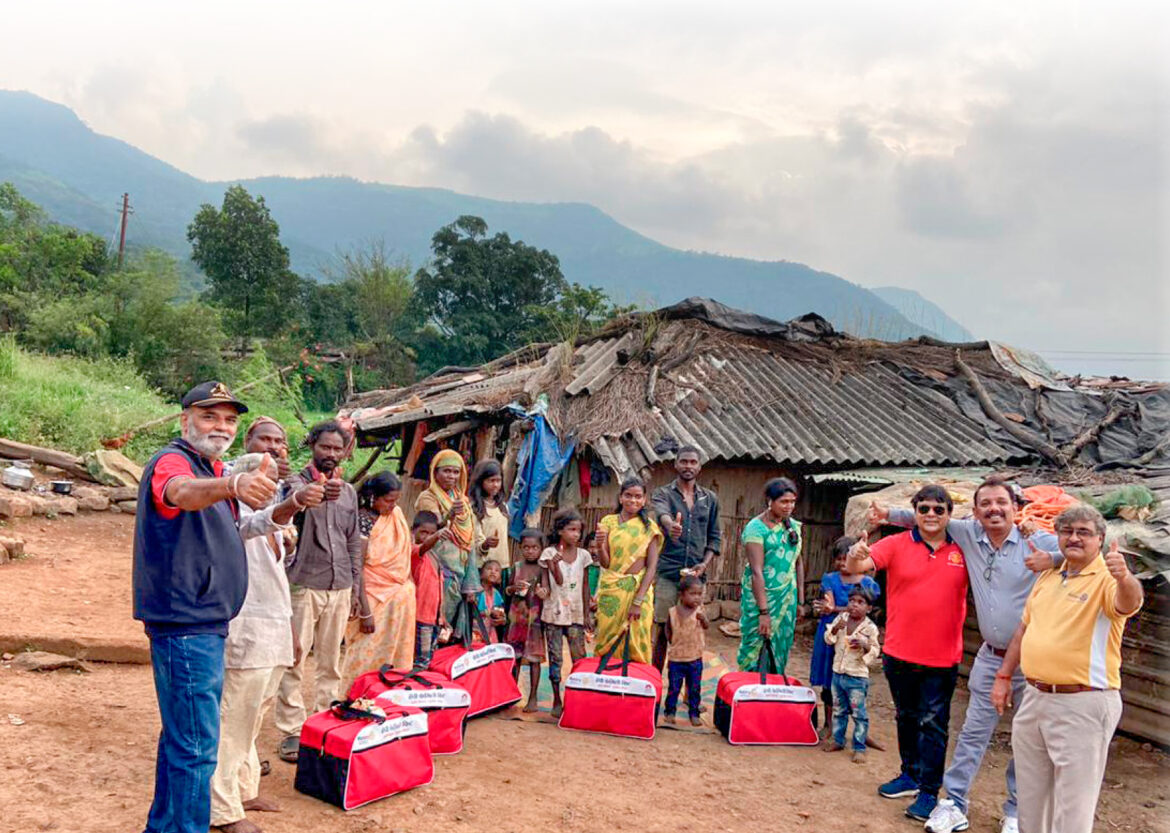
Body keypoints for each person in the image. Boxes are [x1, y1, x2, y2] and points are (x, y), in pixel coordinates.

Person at [872, 477, 1062, 833]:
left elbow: (1088, 550)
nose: (994, 509)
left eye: (1001, 502)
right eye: (985, 504)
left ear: (1016, 507)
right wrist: (887, 513)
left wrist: (1051, 558)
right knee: (973, 734)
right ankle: (955, 803)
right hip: (991, 657)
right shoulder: (969, 535)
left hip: (1034, 659)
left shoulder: (1038, 540)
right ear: (974, 512)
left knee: (1028, 738)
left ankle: (1017, 811)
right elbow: (928, 517)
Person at [133, 381, 278, 833]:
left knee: (183, 738)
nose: (221, 426)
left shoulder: (209, 467)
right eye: (209, 416)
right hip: (186, 624)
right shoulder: (174, 461)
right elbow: (179, 492)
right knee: (196, 746)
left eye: (229, 419)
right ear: (185, 420)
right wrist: (232, 483)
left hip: (203, 621)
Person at [991, 504, 1143, 833]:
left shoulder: (1107, 580)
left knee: (1073, 808)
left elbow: (1128, 603)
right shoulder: (1049, 575)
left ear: (1100, 539)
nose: (1074, 538)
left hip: (1082, 703)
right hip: (1034, 698)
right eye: (1067, 531)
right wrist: (1003, 676)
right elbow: (1024, 629)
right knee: (1031, 802)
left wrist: (1125, 577)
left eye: (1084, 532)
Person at [210, 418, 325, 833]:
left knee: (254, 714)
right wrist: (292, 504)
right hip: (245, 622)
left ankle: (243, 790)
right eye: (266, 440)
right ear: (247, 443)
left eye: (280, 442)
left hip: (272, 621)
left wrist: (289, 630)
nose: (275, 447)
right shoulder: (231, 494)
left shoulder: (271, 499)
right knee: (233, 716)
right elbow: (251, 527)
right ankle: (221, 810)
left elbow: (277, 576)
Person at [847, 484, 969, 823]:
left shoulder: (964, 549)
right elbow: (860, 566)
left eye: (938, 509)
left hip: (942, 657)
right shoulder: (897, 544)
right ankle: (909, 775)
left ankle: (929, 790)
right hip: (899, 652)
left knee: (934, 724)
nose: (931, 515)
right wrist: (856, 552)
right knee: (906, 716)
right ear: (914, 513)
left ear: (949, 514)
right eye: (924, 508)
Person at [275, 420, 362, 763]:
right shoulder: (293, 484)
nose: (331, 453)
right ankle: (292, 730)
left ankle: (324, 723)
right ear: (312, 445)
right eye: (325, 446)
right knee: (294, 660)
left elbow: (353, 541)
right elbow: (289, 511)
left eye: (337, 448)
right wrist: (314, 495)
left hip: (339, 585)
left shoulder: (349, 492)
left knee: (330, 662)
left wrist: (355, 586)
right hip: (303, 583)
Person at [341, 472, 418, 686]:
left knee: (394, 659)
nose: (393, 506)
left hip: (399, 603)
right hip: (372, 599)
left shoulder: (396, 515)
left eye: (396, 501)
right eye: (388, 500)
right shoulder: (363, 520)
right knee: (364, 653)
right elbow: (357, 567)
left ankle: (387, 695)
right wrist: (365, 612)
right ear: (373, 496)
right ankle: (354, 694)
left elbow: (404, 561)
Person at [650, 446, 721, 670]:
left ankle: (688, 686)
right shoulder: (663, 493)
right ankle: (656, 682)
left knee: (692, 630)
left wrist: (704, 564)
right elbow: (662, 514)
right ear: (676, 464)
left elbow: (714, 537)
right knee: (662, 628)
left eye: (693, 462)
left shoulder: (710, 499)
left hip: (695, 579)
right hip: (668, 573)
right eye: (684, 461)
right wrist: (671, 525)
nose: (688, 466)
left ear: (699, 466)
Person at [810, 537, 881, 735]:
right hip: (832, 632)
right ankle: (829, 725)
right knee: (828, 679)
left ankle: (857, 729)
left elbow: (835, 608)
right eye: (838, 559)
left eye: (846, 559)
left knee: (854, 680)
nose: (842, 563)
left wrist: (834, 609)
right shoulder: (830, 579)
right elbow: (829, 605)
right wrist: (834, 609)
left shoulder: (868, 583)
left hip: (855, 635)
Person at [738, 477, 805, 674]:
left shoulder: (793, 527)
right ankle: (750, 687)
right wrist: (764, 612)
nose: (789, 506)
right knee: (754, 647)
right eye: (784, 502)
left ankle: (773, 687)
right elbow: (756, 572)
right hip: (761, 599)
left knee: (780, 646)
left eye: (792, 502)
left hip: (787, 598)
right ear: (770, 501)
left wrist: (800, 601)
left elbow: (798, 562)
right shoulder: (756, 529)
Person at [594, 476, 664, 665]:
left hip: (639, 590)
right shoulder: (608, 522)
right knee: (606, 636)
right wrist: (599, 546)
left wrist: (638, 601)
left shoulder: (649, 527)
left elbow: (652, 567)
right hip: (612, 589)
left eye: (638, 496)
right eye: (628, 495)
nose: (633, 500)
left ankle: (636, 680)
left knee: (638, 638)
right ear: (620, 497)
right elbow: (606, 564)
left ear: (644, 500)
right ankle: (606, 678)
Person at [414, 449, 481, 626]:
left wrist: (470, 581)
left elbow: (469, 540)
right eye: (446, 471)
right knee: (431, 621)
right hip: (437, 569)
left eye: (456, 472)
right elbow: (431, 529)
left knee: (449, 626)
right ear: (435, 472)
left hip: (461, 569)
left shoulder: (463, 501)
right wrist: (450, 515)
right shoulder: (427, 498)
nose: (451, 476)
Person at [540, 508, 592, 718]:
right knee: (555, 659)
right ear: (560, 530)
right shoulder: (548, 554)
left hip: (576, 614)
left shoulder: (584, 556)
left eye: (578, 530)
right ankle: (556, 698)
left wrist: (587, 614)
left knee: (579, 658)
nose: (576, 534)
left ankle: (579, 698)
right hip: (553, 613)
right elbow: (555, 582)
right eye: (571, 529)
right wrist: (554, 565)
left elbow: (586, 586)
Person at [822, 588, 881, 763]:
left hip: (856, 677)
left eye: (860, 602)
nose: (854, 605)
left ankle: (859, 747)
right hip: (838, 674)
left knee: (859, 714)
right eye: (852, 601)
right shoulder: (841, 619)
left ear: (869, 608)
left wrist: (865, 645)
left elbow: (875, 651)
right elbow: (828, 639)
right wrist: (834, 630)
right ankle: (838, 740)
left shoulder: (870, 628)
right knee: (839, 710)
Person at [506, 528, 548, 712]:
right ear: (520, 547)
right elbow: (507, 590)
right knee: (515, 658)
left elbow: (546, 591)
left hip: (535, 621)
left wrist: (541, 592)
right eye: (526, 547)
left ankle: (533, 698)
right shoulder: (516, 567)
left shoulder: (543, 569)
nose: (530, 551)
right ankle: (511, 695)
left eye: (534, 547)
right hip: (516, 620)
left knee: (534, 659)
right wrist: (513, 588)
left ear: (541, 549)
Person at [663, 574, 708, 726]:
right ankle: (670, 712)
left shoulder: (700, 611)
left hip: (695, 658)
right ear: (681, 595)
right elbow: (667, 630)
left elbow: (706, 626)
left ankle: (694, 713)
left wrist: (704, 619)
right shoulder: (672, 612)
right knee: (674, 688)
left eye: (699, 594)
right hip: (676, 659)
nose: (697, 597)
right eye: (692, 593)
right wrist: (673, 643)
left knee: (694, 688)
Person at [409, 511, 447, 669]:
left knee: (429, 659)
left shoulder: (435, 557)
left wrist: (442, 617)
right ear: (413, 531)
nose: (427, 537)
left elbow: (439, 590)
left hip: (434, 619)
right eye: (423, 532)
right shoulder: (414, 551)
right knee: (420, 662)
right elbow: (424, 547)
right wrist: (437, 536)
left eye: (431, 533)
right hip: (420, 617)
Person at [470, 459, 510, 567]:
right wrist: (486, 544)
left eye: (498, 481)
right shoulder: (474, 508)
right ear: (481, 481)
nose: (495, 485)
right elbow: (475, 541)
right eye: (491, 481)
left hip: (501, 564)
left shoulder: (503, 507)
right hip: (482, 566)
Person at [476, 559, 508, 642]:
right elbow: (474, 611)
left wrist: (501, 618)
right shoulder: (477, 591)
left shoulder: (496, 593)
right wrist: (490, 612)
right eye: (489, 569)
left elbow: (499, 610)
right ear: (481, 575)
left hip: (490, 631)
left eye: (497, 570)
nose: (493, 572)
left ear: (500, 579)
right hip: (476, 629)